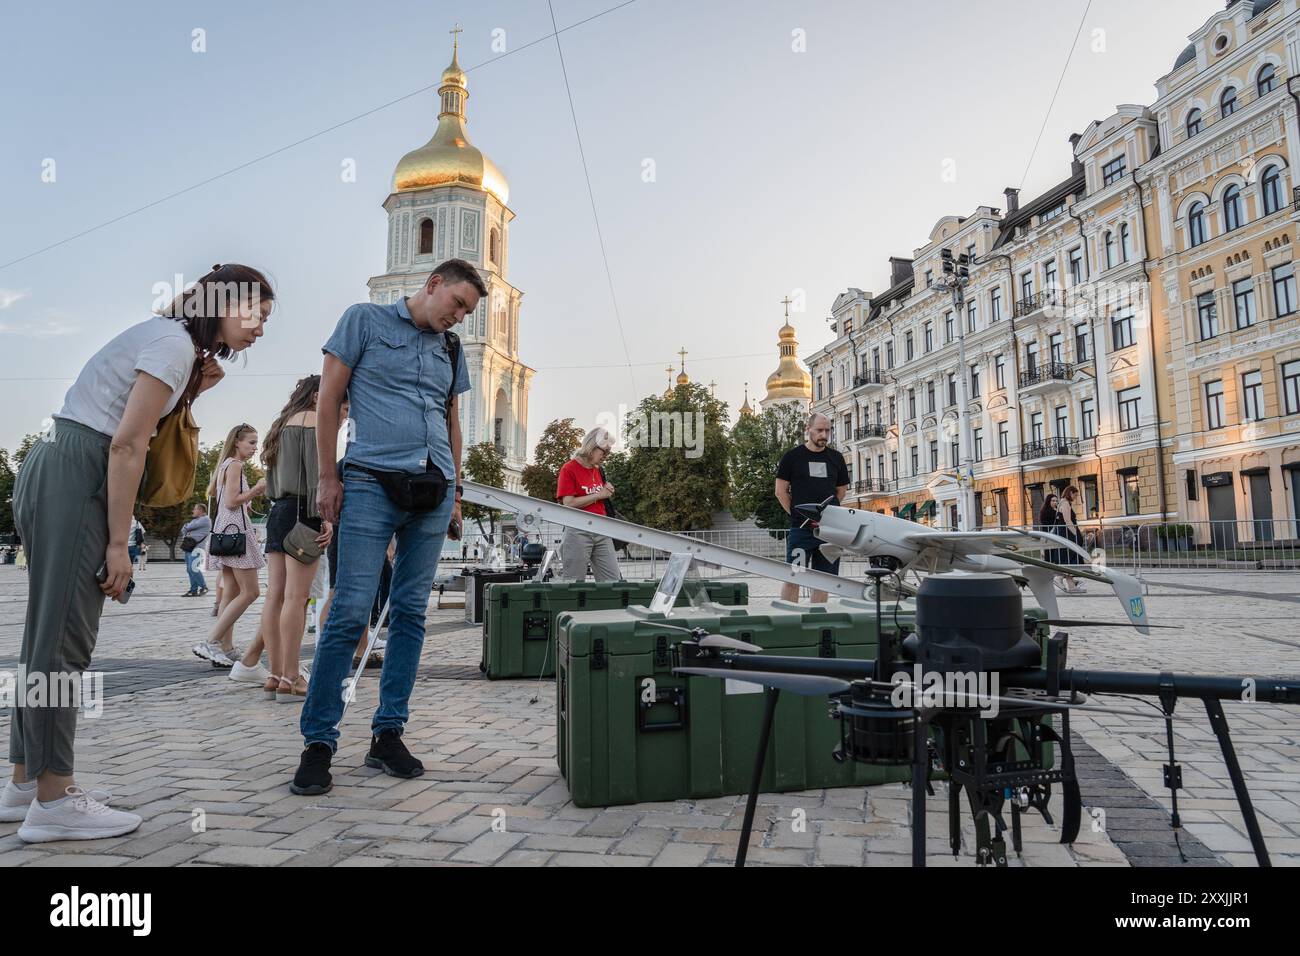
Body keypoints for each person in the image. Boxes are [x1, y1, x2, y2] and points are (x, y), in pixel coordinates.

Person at [2, 262, 273, 843]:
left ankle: (27, 780)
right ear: (223, 304)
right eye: (256, 313)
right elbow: (128, 444)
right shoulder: (172, 346)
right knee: (65, 639)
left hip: (60, 461)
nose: (260, 329)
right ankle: (54, 798)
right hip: (82, 469)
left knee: (44, 633)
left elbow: (140, 431)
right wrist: (120, 543)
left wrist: (196, 388)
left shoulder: (168, 343)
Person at [291, 258, 477, 796]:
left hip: (433, 489)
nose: (459, 317)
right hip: (370, 480)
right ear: (433, 283)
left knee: (411, 615)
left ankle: (388, 733)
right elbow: (328, 399)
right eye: (457, 303)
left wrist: (457, 490)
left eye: (468, 311)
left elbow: (452, 422)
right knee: (350, 611)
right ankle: (319, 741)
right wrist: (329, 476)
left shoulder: (451, 349)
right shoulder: (364, 321)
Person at [249, 376, 334, 699]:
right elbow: (317, 476)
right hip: (305, 513)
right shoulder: (314, 421)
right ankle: (291, 676)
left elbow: (270, 479)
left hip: (279, 512)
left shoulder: (281, 425)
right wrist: (325, 517)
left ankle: (275, 673)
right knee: (297, 599)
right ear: (316, 396)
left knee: (275, 596)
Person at [193, 424, 268, 667]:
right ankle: (211, 642)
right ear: (237, 442)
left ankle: (225, 647)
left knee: (232, 591)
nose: (254, 448)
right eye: (251, 442)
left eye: (256, 443)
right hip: (235, 532)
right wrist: (256, 490)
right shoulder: (235, 465)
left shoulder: (225, 465)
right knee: (251, 592)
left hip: (225, 532)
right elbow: (232, 501)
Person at [775, 413, 850, 603]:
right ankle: (787, 619)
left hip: (830, 532)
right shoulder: (792, 457)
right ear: (808, 430)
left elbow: (841, 492)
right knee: (793, 578)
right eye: (819, 430)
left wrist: (828, 515)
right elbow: (780, 491)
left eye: (828, 430)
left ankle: (817, 622)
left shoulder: (836, 458)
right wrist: (797, 515)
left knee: (824, 581)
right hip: (801, 531)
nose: (824, 435)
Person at [555, 427, 622, 582]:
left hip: (601, 528)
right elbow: (568, 502)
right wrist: (599, 495)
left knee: (612, 580)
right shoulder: (569, 468)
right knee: (573, 581)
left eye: (608, 452)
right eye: (604, 451)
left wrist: (606, 491)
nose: (605, 456)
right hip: (578, 530)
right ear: (591, 446)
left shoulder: (598, 470)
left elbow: (600, 497)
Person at [1057, 486, 1086, 594]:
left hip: (1066, 534)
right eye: (1075, 495)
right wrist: (1075, 535)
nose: (1076, 497)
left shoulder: (1063, 502)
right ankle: (1059, 578)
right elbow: (1068, 521)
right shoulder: (1065, 503)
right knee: (1071, 558)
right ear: (1070, 493)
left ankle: (1071, 586)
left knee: (1070, 558)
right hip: (1068, 534)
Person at [180, 503, 211, 596]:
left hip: (197, 549)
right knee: (189, 570)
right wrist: (187, 527)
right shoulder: (196, 520)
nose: (193, 511)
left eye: (195, 509)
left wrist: (187, 527)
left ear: (200, 511)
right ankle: (193, 590)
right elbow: (183, 530)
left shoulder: (205, 519)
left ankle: (204, 587)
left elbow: (187, 527)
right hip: (189, 548)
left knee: (193, 569)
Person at [1038, 493, 1063, 566]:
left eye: (1056, 501)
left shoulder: (1055, 510)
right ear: (1048, 501)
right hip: (1048, 534)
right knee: (1049, 552)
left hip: (1054, 534)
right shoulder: (1046, 511)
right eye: (1053, 501)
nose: (1055, 502)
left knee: (1054, 552)